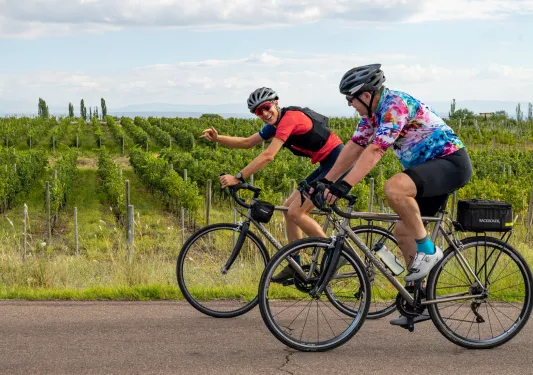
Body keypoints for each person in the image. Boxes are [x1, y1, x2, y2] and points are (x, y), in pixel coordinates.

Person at [316, 64, 472, 326]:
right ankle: (419, 301)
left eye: (349, 99)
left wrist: (346, 185)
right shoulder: (372, 116)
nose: (349, 104)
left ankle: (429, 250)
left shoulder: (395, 105)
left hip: (450, 163)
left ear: (365, 95)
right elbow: (355, 146)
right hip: (428, 171)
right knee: (402, 231)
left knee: (394, 187)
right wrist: (327, 180)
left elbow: (376, 151)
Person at [200, 87, 346, 281]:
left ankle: (335, 255)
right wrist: (218, 138)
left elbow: (269, 155)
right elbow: (247, 142)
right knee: (287, 208)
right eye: (259, 112)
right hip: (326, 162)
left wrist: (238, 177)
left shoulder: (289, 119)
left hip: (339, 162)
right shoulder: (274, 124)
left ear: (276, 102)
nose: (265, 113)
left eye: (267, 107)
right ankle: (295, 263)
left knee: (296, 212)